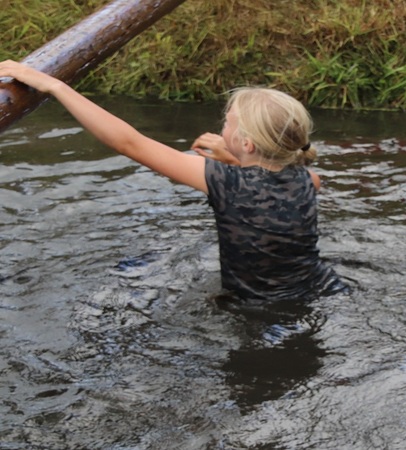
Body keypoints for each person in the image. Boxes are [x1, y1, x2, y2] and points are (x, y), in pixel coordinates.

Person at [0, 60, 346, 303]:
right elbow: (273, 180)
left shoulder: (224, 180)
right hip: (321, 289)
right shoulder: (307, 179)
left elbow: (129, 142)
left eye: (227, 123)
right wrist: (232, 157)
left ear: (247, 144)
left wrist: (55, 86)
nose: (222, 127)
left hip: (259, 310)